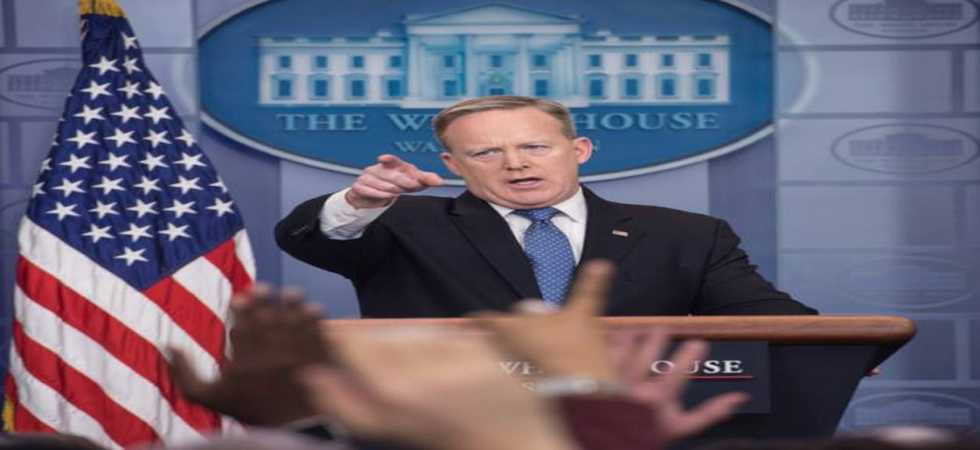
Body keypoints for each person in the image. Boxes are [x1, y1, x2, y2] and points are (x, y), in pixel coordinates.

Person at [276, 95, 816, 318]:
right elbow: (311, 237)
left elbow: (771, 322)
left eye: (534, 147)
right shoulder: (401, 224)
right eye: (486, 153)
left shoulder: (688, 235)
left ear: (579, 151)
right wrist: (360, 200)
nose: (515, 164)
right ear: (453, 164)